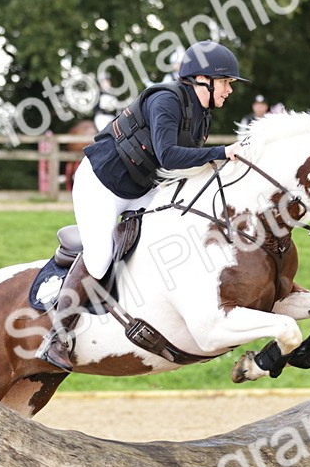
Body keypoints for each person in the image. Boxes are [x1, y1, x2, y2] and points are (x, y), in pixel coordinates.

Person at [36, 40, 246, 371]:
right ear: (202, 79)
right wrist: (221, 152)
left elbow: (184, 167)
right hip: (102, 184)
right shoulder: (166, 100)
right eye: (226, 82)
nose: (229, 91)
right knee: (101, 257)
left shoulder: (201, 114)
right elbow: (169, 155)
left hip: (142, 187)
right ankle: (58, 335)